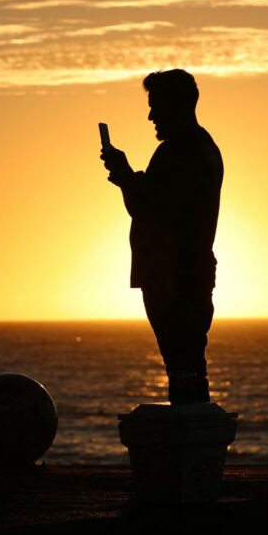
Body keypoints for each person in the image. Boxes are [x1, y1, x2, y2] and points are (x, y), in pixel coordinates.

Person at [100, 70, 223, 403]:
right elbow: (150, 208)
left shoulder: (183, 151)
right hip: (181, 276)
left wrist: (126, 176)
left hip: (177, 279)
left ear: (179, 104)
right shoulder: (194, 149)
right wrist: (127, 178)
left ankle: (189, 439)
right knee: (186, 367)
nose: (151, 115)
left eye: (157, 106)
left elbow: (151, 209)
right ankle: (190, 432)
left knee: (183, 367)